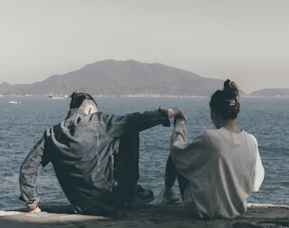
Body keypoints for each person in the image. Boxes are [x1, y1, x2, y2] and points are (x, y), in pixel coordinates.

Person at [19, 92, 186, 216]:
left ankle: (130, 191)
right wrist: (173, 112)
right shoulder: (98, 122)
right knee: (129, 130)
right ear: (91, 109)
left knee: (112, 137)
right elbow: (138, 119)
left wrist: (32, 205)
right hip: (111, 201)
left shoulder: (52, 134)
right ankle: (133, 194)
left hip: (81, 206)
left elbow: (28, 169)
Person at [160, 80, 265, 218]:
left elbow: (176, 150)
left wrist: (180, 124)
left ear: (213, 112)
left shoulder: (210, 138)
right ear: (236, 112)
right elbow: (254, 185)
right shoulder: (251, 140)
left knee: (179, 154)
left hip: (202, 209)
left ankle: (168, 193)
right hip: (237, 210)